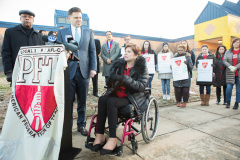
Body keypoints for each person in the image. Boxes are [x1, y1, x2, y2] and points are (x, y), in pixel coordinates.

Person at [90, 43, 148, 155]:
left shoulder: (142, 68)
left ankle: (112, 139)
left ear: (136, 55)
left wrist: (124, 79)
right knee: (102, 99)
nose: (125, 53)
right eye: (125, 51)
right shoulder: (119, 65)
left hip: (131, 97)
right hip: (117, 93)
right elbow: (110, 83)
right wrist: (112, 79)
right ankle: (100, 135)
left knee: (112, 102)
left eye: (129, 51)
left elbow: (141, 86)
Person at [57, 7, 97, 136]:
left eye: (80, 17)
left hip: (84, 72)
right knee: (68, 101)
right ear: (69, 18)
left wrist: (93, 68)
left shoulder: (88, 33)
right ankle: (67, 126)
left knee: (82, 101)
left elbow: (92, 51)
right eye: (76, 17)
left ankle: (81, 125)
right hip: (68, 71)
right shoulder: (63, 33)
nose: (79, 20)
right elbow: (58, 51)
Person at [1, 10, 44, 83]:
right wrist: (8, 71)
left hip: (35, 74)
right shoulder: (10, 32)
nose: (27, 18)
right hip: (17, 72)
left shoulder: (39, 36)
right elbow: (6, 52)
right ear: (20, 19)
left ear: (33, 20)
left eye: (30, 17)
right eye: (24, 16)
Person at [223, 38, 240, 109]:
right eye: (235, 42)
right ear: (232, 43)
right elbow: (224, 60)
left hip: (238, 73)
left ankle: (237, 103)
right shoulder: (228, 52)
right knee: (229, 88)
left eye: (238, 42)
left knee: (238, 90)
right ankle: (228, 101)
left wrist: (236, 67)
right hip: (230, 73)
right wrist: (230, 66)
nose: (236, 44)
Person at [91, 29, 101, 97]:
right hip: (85, 62)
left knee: (95, 78)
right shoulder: (85, 41)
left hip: (94, 62)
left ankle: (95, 92)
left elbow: (98, 51)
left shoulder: (96, 41)